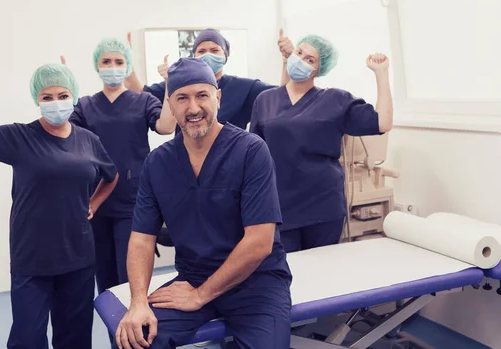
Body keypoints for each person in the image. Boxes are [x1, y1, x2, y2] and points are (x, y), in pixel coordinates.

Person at [115, 58, 292, 349]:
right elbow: (141, 240)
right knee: (134, 338)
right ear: (169, 105)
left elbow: (260, 242)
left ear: (218, 98)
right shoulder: (158, 163)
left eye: (202, 95)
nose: (193, 108)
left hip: (256, 282)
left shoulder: (250, 151)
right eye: (182, 98)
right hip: (193, 278)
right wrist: (137, 303)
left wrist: (200, 296)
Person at [0, 64, 119, 349]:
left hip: (78, 256)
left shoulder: (88, 140)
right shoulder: (19, 137)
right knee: (28, 339)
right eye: (47, 97)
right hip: (32, 259)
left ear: (73, 96)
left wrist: (94, 204)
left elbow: (112, 176)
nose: (55, 102)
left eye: (62, 95)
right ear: (37, 99)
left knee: (74, 339)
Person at [250, 31, 393, 253]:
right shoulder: (265, 100)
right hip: (279, 208)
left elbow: (382, 123)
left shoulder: (335, 100)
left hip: (323, 208)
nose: (301, 60)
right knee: (284, 273)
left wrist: (381, 73)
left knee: (321, 273)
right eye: (299, 53)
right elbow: (254, 155)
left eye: (310, 59)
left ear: (319, 69)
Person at [65, 36, 176, 297]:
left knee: (130, 277)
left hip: (133, 201)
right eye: (106, 61)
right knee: (104, 278)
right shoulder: (84, 106)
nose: (112, 66)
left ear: (128, 66)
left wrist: (171, 85)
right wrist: (64, 91)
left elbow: (166, 126)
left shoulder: (144, 100)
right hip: (95, 202)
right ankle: (115, 335)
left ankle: (133, 333)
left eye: (119, 61)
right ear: (97, 66)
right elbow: (65, 136)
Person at [125, 28, 276, 131]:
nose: (208, 55)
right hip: (187, 159)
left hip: (231, 161)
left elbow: (283, 94)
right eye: (202, 51)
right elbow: (139, 92)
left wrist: (287, 61)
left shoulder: (244, 88)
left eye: (214, 50)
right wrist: (126, 60)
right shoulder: (179, 86)